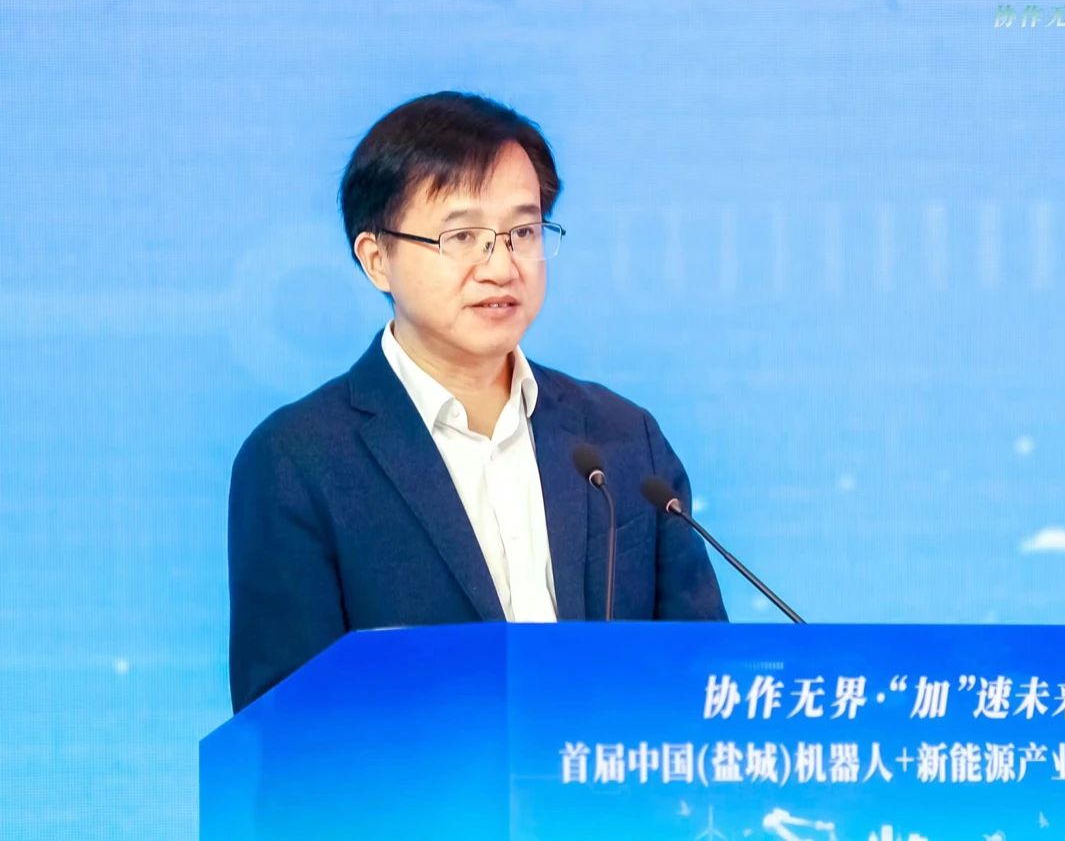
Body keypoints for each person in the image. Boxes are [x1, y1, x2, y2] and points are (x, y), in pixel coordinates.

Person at [227, 92, 727, 713]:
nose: (501, 266)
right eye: (463, 236)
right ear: (377, 259)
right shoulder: (298, 461)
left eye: (523, 232)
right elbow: (286, 726)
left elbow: (705, 680)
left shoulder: (622, 438)